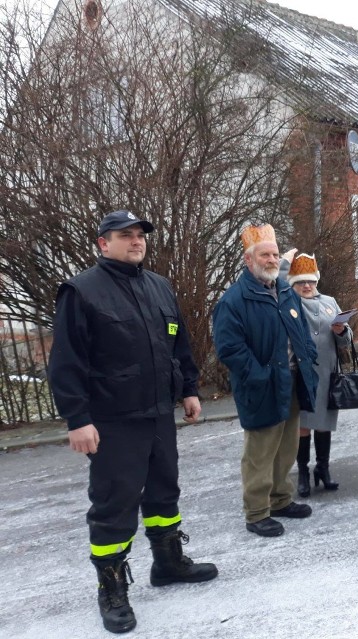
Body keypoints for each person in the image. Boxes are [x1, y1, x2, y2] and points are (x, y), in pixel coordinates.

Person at [47, 210, 218, 634]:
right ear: (103, 243)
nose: (136, 241)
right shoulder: (81, 292)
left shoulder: (159, 287)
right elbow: (66, 361)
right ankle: (112, 589)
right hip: (112, 420)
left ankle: (168, 563)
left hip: (159, 412)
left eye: (140, 235)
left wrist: (189, 389)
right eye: (125, 235)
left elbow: (179, 344)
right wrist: (77, 418)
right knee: (113, 504)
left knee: (164, 490)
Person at [212, 225, 318, 538]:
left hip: (292, 381)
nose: (272, 259)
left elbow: (300, 331)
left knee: (286, 447)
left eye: (274, 254)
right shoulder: (234, 300)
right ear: (249, 259)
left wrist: (308, 357)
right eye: (265, 255)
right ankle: (257, 512)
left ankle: (280, 500)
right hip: (261, 387)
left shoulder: (285, 290)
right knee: (260, 453)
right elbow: (229, 348)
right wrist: (260, 375)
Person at [287, 253, 353, 497]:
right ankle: (303, 472)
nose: (307, 286)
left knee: (324, 424)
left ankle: (323, 469)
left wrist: (341, 330)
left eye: (311, 281)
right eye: (301, 282)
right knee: (303, 425)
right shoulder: (289, 303)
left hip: (327, 371)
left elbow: (347, 339)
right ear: (293, 283)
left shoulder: (329, 301)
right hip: (302, 374)